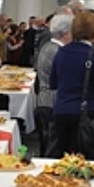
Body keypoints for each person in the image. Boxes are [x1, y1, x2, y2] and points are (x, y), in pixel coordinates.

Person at [49, 11, 94, 158]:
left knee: (64, 155)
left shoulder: (61, 52)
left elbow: (53, 83)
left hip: (62, 110)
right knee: (88, 158)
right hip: (86, 111)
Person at [34, 13, 73, 157]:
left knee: (47, 147)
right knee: (52, 150)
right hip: (52, 102)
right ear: (65, 33)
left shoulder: (48, 46)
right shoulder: (58, 51)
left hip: (44, 100)